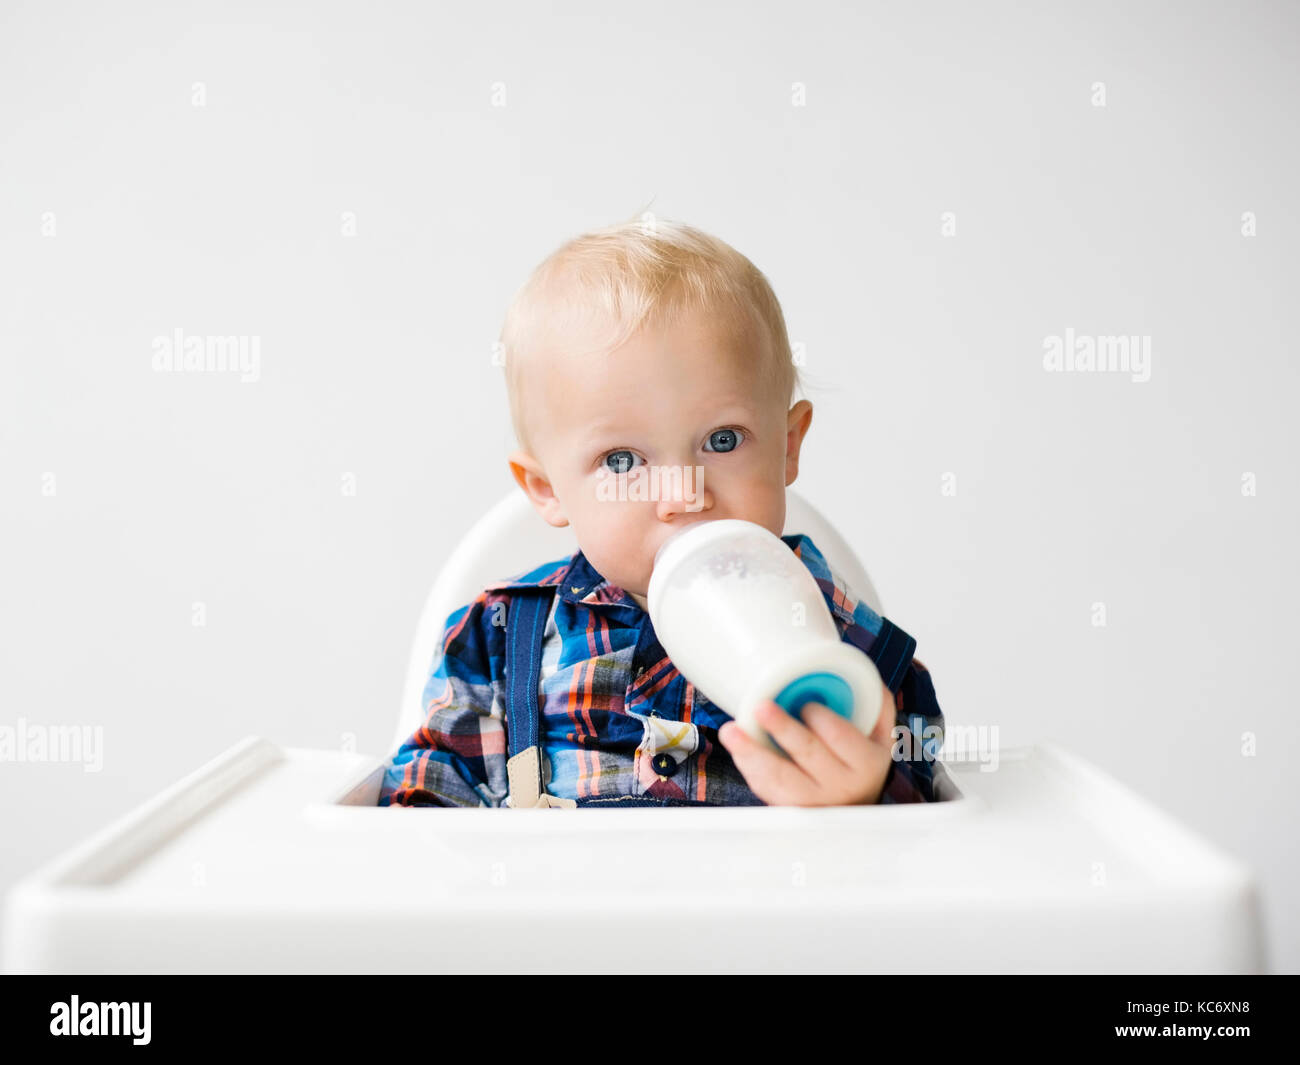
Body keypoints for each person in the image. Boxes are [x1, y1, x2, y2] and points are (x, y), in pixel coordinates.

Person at [378, 216, 950, 808]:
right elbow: (421, 826)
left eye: (722, 440)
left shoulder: (851, 646)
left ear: (788, 447)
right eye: (623, 460)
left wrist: (867, 796)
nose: (684, 493)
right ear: (546, 487)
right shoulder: (497, 640)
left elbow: (931, 818)